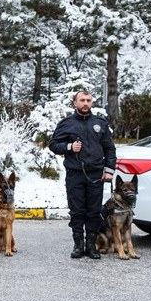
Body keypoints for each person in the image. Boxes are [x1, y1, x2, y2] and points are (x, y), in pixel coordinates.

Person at [49, 90, 115, 259]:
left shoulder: (100, 123)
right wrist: (69, 147)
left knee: (93, 211)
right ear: (75, 103)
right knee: (77, 210)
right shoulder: (67, 124)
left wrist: (109, 170)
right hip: (75, 174)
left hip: (96, 175)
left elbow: (109, 149)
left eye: (88, 100)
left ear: (91, 103)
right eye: (82, 100)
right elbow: (54, 145)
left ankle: (91, 245)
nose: (85, 103)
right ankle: (78, 245)